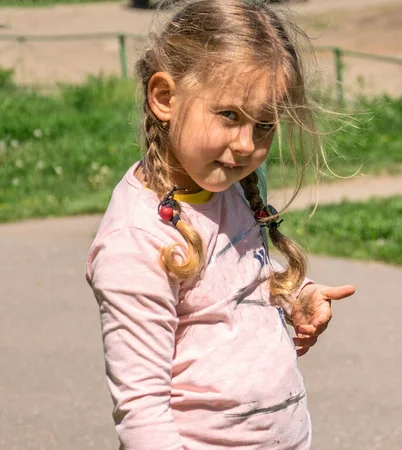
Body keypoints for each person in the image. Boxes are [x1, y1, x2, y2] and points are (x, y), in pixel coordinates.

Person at [85, 1, 355, 449]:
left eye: (265, 124)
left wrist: (295, 294)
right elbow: (142, 412)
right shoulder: (137, 241)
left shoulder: (231, 183)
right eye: (229, 115)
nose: (247, 145)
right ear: (165, 98)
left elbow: (242, 276)